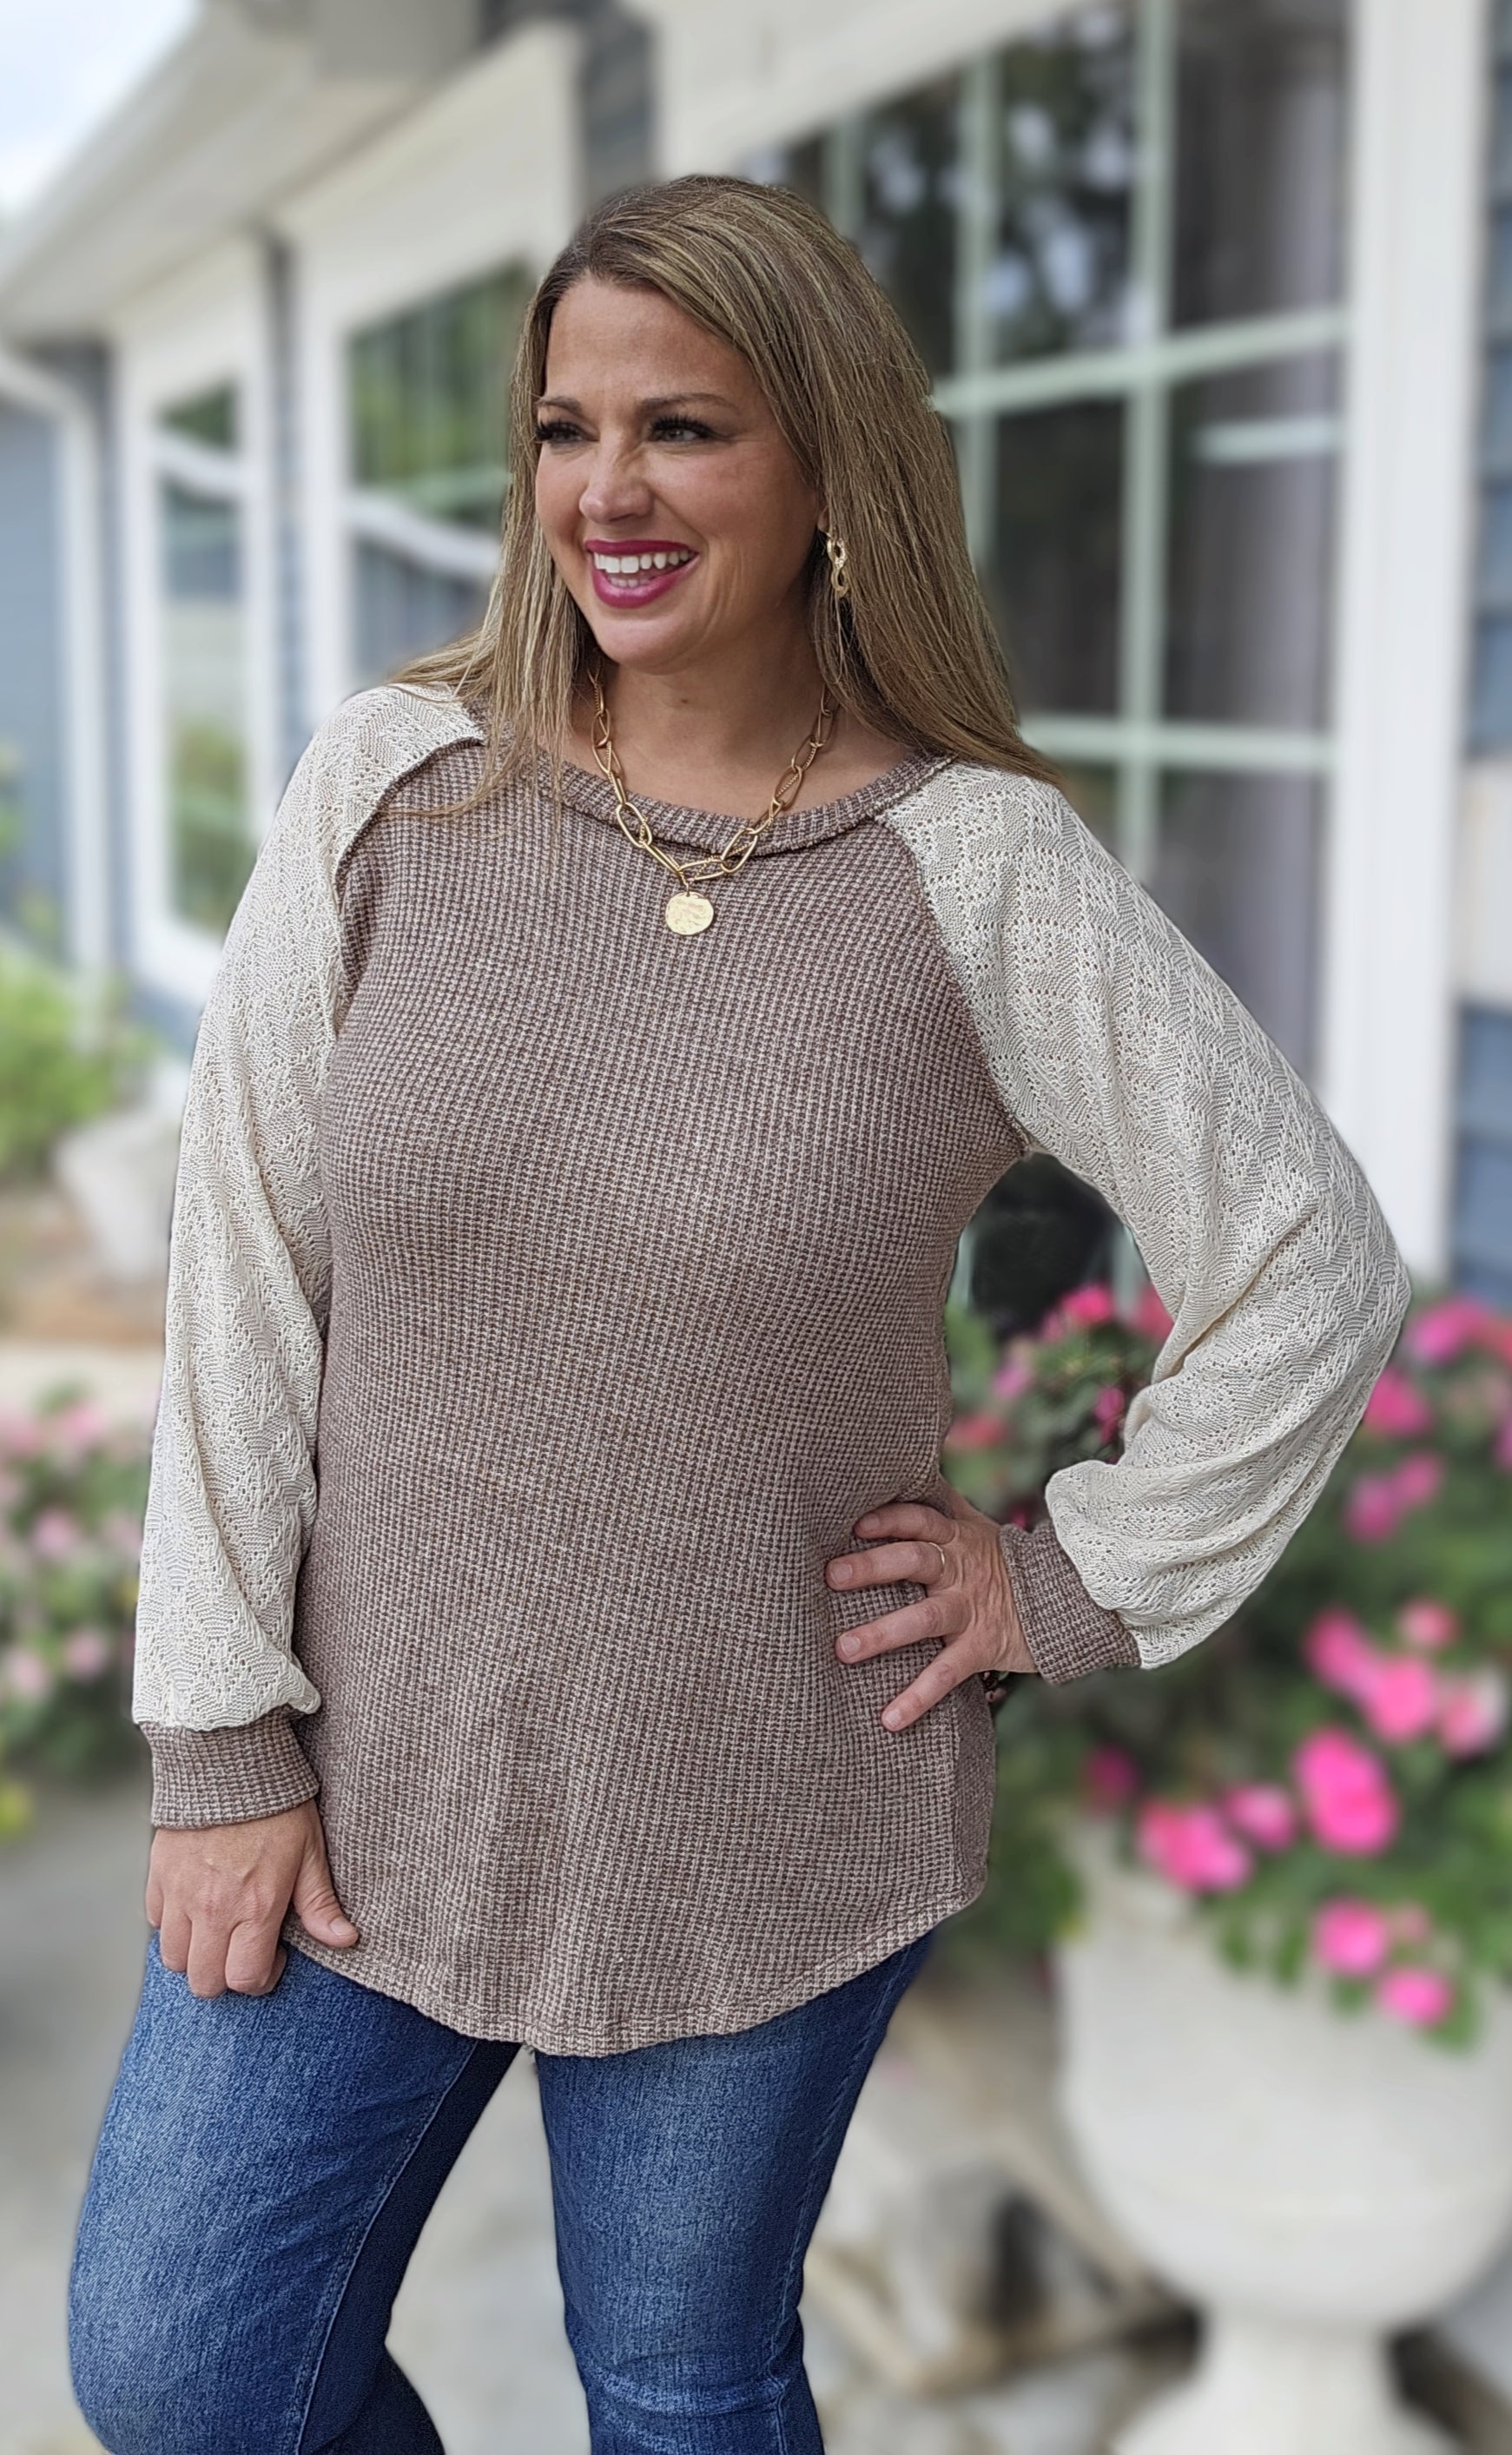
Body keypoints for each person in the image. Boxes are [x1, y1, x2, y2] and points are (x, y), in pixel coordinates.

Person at [68, 174, 1410, 2455]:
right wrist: (218, 1738)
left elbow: (1311, 1249)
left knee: (681, 2388)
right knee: (181, 2368)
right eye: (564, 428)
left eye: (682, 427)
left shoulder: (972, 869)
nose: (607, 490)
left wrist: (1064, 1573)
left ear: (827, 468)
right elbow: (245, 1271)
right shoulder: (393, 786)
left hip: (763, 1805)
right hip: (364, 1775)